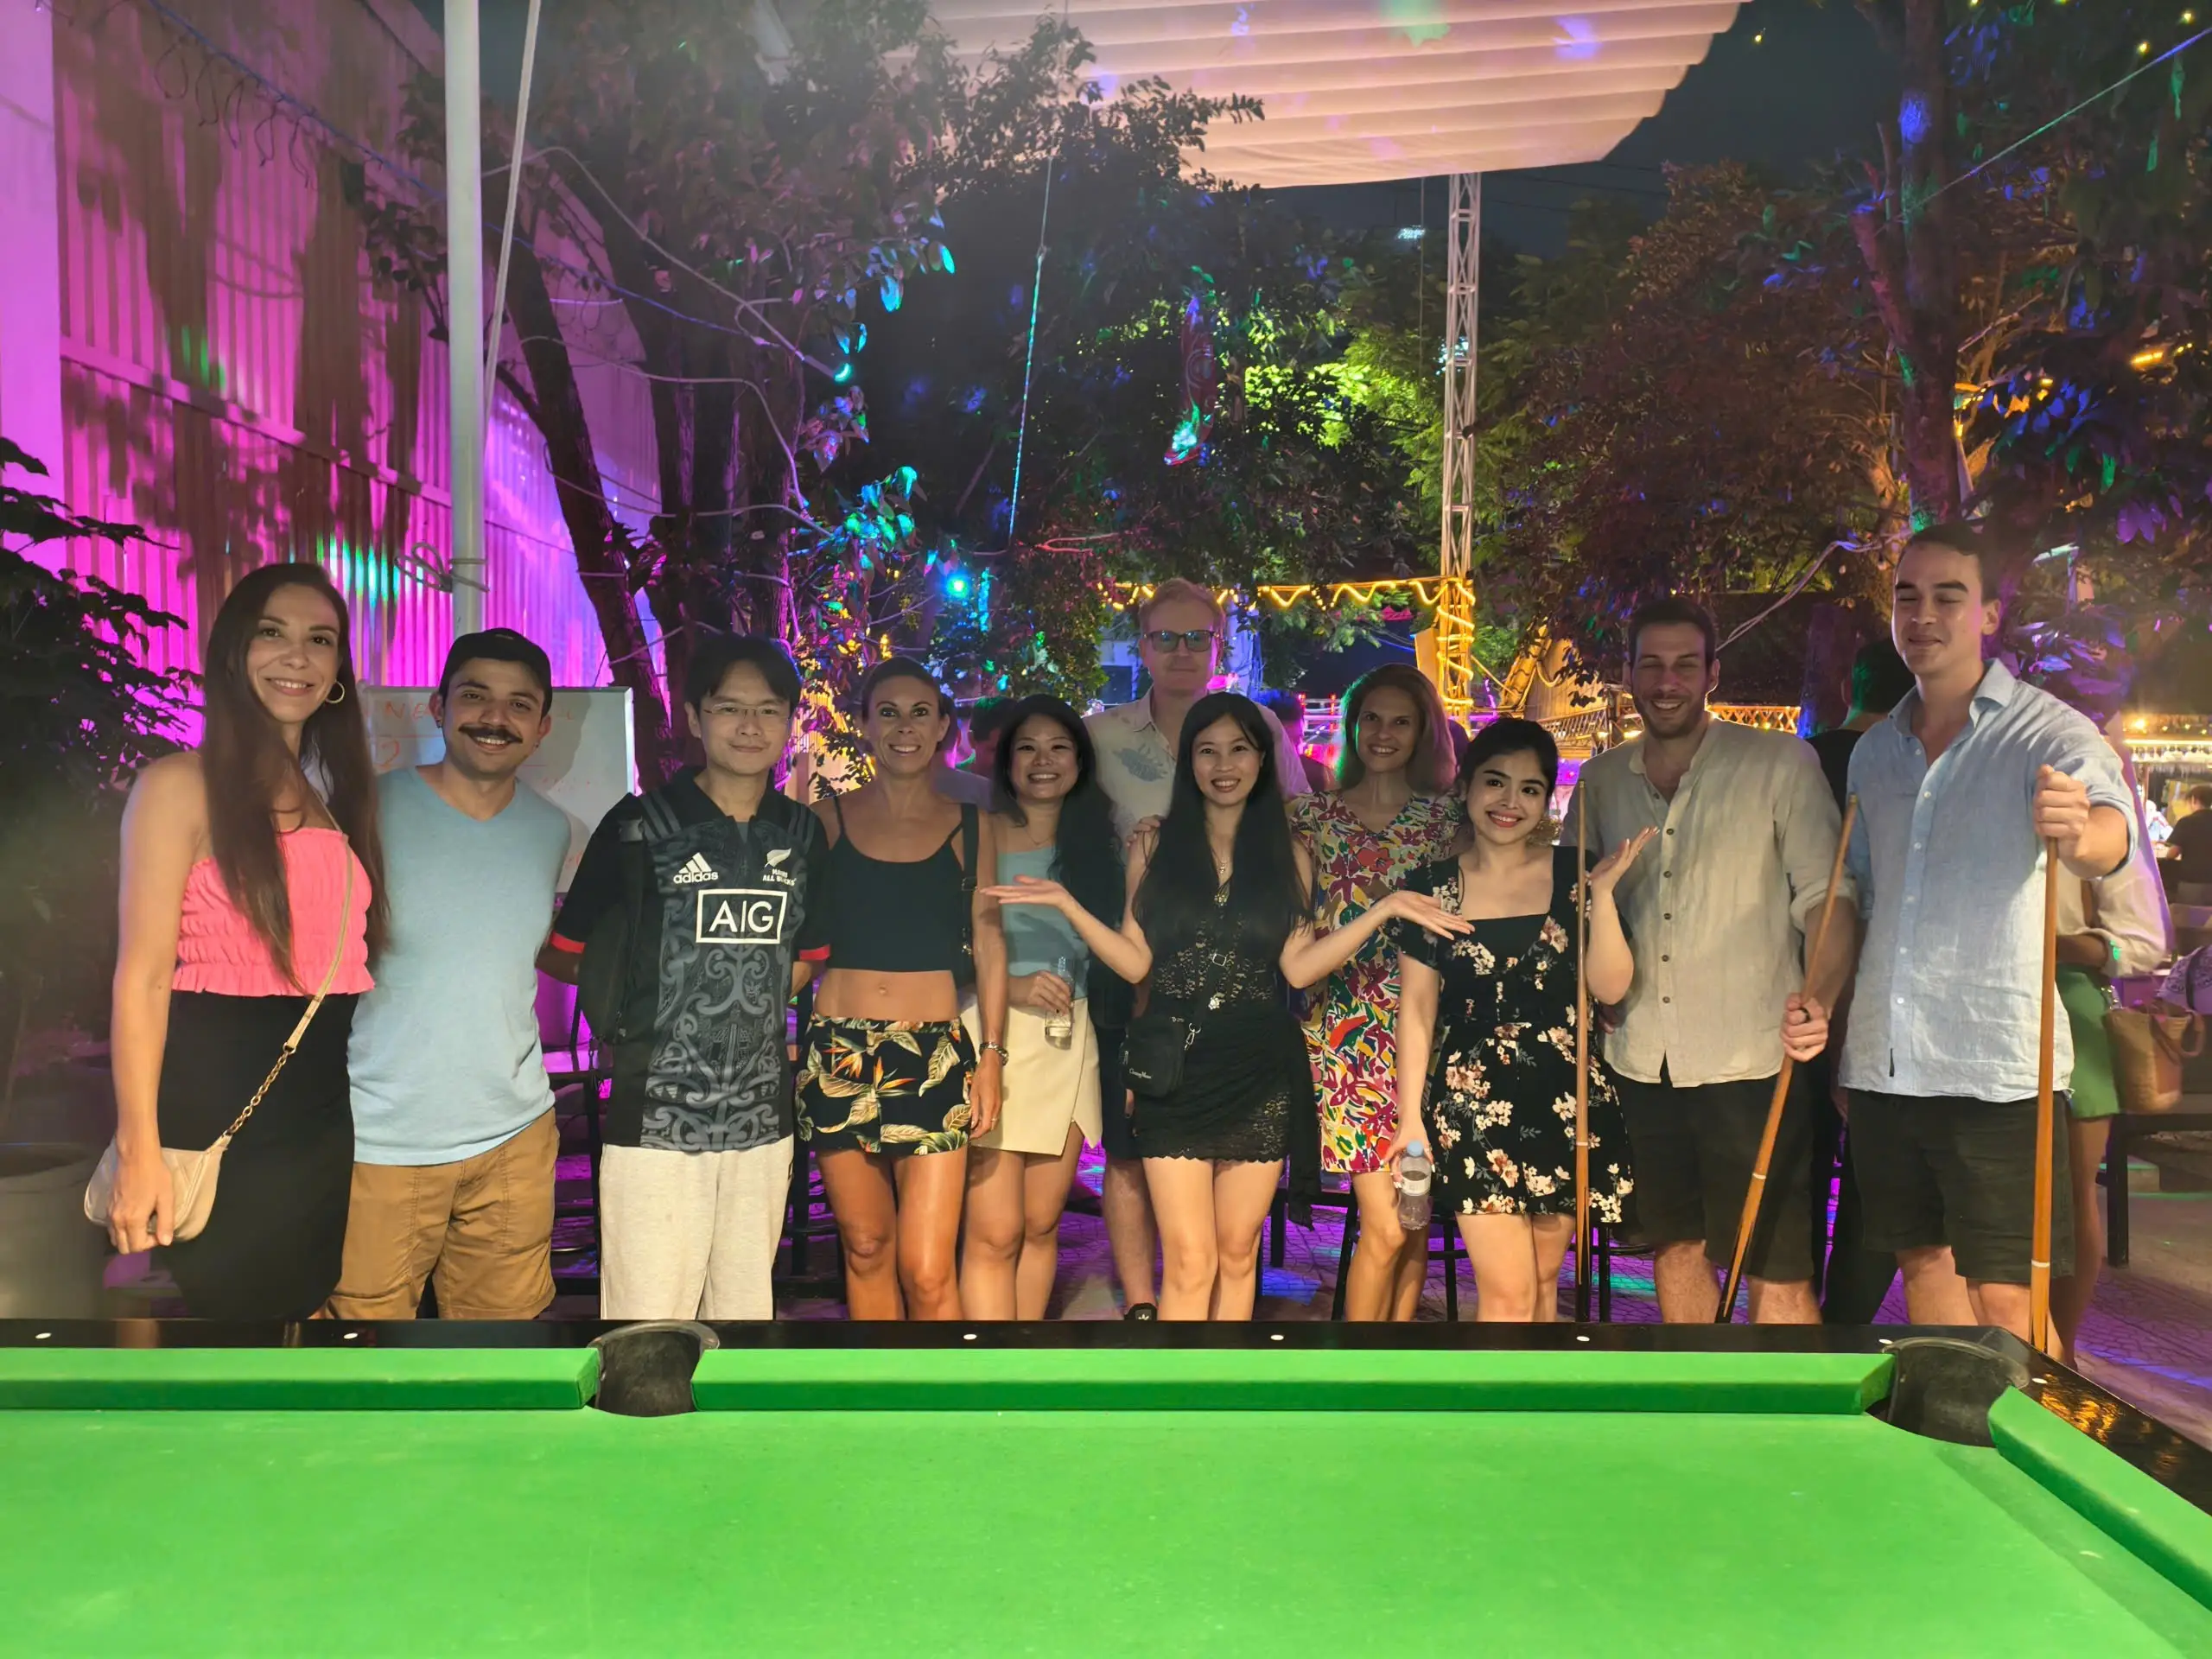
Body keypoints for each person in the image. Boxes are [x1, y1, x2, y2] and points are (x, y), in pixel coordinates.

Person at [992, 692, 1467, 1320]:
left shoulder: (1289, 852)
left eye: (1238, 749)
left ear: (1261, 760)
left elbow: (1298, 966)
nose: (1223, 765)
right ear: (1188, 762)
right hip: (1176, 1077)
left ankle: (1227, 1381)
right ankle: (1183, 1384)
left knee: (1239, 1254)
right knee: (1191, 1261)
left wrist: (1384, 910)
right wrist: (1068, 906)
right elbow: (1135, 962)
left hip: (1259, 1073)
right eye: (1207, 750)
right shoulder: (1154, 847)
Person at [1842, 523, 2136, 1346]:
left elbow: (2110, 833)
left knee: (2009, 1303)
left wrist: (2081, 830)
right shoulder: (1875, 754)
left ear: (1990, 614)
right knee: (1923, 1268)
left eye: (1949, 597)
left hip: (1997, 1065)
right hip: (1889, 1060)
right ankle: (1954, 1418)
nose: (1923, 616)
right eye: (1907, 596)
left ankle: (2035, 1430)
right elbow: (1862, 895)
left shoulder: (2048, 733)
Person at [105, 563, 385, 1319]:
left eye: (320, 640)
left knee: (298, 1315)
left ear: (337, 671)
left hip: (318, 1116)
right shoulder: (178, 786)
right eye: (272, 633)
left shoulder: (325, 799)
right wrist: (138, 1151)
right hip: (224, 1113)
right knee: (235, 1331)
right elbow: (142, 979)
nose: (298, 656)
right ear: (233, 652)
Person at [1564, 596, 1854, 1325]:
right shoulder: (1599, 782)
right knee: (1675, 1249)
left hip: (1754, 1058)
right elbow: (1573, 908)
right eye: (1652, 665)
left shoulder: (1780, 763)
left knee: (1778, 1267)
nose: (1668, 682)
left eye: (1685, 665)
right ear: (1628, 673)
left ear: (1712, 673)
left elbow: (1828, 899)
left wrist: (1821, 996)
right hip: (1640, 1061)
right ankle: (1698, 1391)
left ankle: (1785, 1403)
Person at [539, 634, 827, 1321]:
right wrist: (643, 1009)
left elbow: (808, 954)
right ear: (695, 717)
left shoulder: (802, 834)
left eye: (768, 710)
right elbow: (567, 950)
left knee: (743, 1316)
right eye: (729, 708)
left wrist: (745, 1005)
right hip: (654, 1113)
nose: (750, 726)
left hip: (762, 1115)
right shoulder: (639, 827)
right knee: (648, 1319)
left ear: (790, 722)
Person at [1084, 577, 1310, 1319]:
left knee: (1233, 1247)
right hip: (1141, 974)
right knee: (1133, 1166)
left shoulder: (1263, 735)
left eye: (1196, 637)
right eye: (1165, 637)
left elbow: (1295, 825)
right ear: (1142, 646)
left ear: (1219, 646)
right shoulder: (1102, 737)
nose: (1181, 651)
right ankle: (1142, 1307)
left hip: (1245, 1005)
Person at [331, 630, 569, 1320]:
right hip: (381, 1138)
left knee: (503, 1350)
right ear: (438, 707)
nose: (495, 718)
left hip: (515, 1137)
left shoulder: (551, 829)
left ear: (542, 727)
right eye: (474, 696)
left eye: (519, 704)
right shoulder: (362, 811)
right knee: (365, 1348)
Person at [1394, 719, 1648, 1319]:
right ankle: (1497, 1387)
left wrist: (1602, 896)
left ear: (1545, 800)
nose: (1510, 801)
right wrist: (1410, 1118)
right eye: (1495, 782)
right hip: (1470, 1104)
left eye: (1530, 788)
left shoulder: (1575, 873)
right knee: (1507, 1293)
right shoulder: (1431, 887)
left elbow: (1611, 986)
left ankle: (1537, 1385)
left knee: (1540, 1282)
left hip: (1566, 1098)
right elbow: (1417, 1008)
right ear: (1466, 786)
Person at [804, 658, 1006, 1319]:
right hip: (839, 1051)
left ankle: (940, 1389)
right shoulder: (822, 821)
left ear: (945, 725)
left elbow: (991, 942)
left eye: (921, 713)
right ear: (864, 725)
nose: (905, 728)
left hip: (935, 1054)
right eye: (887, 713)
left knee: (926, 1268)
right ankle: (878, 1384)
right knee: (865, 1247)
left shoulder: (974, 824)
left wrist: (992, 1057)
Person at [1286, 664, 1463, 1320]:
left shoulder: (1447, 820)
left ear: (1423, 732)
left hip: (1432, 1027)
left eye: (1401, 721)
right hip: (1346, 1033)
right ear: (1353, 726)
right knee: (1385, 1224)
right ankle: (1356, 1363)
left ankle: (1400, 1358)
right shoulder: (1310, 817)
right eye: (1372, 719)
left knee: (1415, 1220)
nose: (1384, 733)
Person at [959, 697, 1127, 1319]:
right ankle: (986, 1366)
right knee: (994, 1230)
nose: (1043, 761)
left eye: (1059, 747)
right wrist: (1015, 985)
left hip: (1069, 1038)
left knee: (1041, 1222)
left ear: (1080, 761)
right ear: (1006, 760)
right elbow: (952, 940)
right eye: (1027, 747)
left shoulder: (1099, 846)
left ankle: (1026, 1358)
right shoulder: (980, 833)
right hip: (993, 1034)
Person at [1804, 637, 1918, 1324]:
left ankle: (1800, 1312)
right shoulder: (1912, 766)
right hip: (1882, 1002)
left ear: (1849, 685)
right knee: (1874, 1181)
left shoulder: (1805, 760)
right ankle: (1842, 1323)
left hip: (1801, 995)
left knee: (1805, 1168)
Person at [2050, 741, 2170, 1363]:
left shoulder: (2100, 814)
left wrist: (2066, 945)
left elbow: (2143, 945)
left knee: (2071, 1197)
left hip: (2072, 1009)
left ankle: (2061, 1355)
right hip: (1972, 1005)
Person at [1257, 688, 1334, 792]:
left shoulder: (1320, 778)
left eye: (1297, 741)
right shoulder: (1243, 783)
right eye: (1283, 743)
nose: (1292, 752)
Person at [2163, 781, 2212, 888]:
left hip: (2192, 881)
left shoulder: (2186, 822)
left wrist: (2166, 856)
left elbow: (2174, 853)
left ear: (2194, 800)